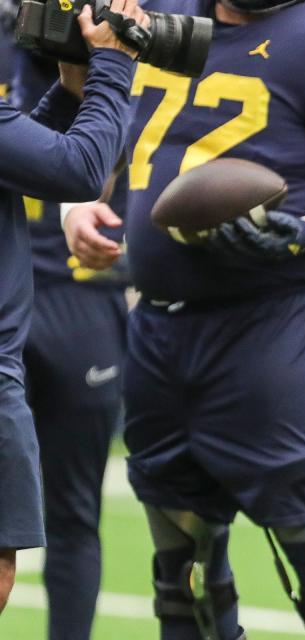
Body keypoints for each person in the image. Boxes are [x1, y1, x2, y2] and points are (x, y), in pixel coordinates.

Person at [76, 0, 305, 637]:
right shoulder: (156, 13)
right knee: (182, 581)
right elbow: (113, 120)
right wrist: (86, 202)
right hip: (158, 331)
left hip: (268, 332)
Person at [0, 0, 146, 614]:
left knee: (71, 514)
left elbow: (19, 152)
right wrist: (112, 66)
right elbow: (80, 168)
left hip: (76, 298)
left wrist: (68, 93)